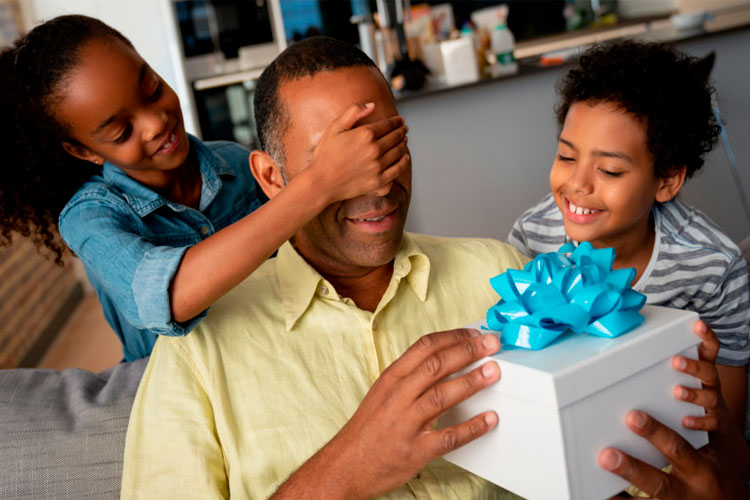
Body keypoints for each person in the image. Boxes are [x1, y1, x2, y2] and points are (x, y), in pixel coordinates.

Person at [121, 37, 742, 500]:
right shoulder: (197, 350)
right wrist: (345, 469)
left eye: (389, 144)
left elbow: (629, 464)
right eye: (339, 162)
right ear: (271, 178)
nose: (379, 181)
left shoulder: (511, 274)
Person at [0, 15, 409, 361]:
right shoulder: (89, 218)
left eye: (153, 89)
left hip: (269, 360)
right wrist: (319, 182)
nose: (156, 122)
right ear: (83, 150)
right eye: (123, 131)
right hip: (176, 395)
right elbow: (170, 296)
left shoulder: (234, 164)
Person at [506, 41, 750, 433]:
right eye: (567, 157)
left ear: (667, 180)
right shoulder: (533, 235)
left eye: (609, 170)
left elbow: (727, 424)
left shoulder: (712, 267)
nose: (576, 184)